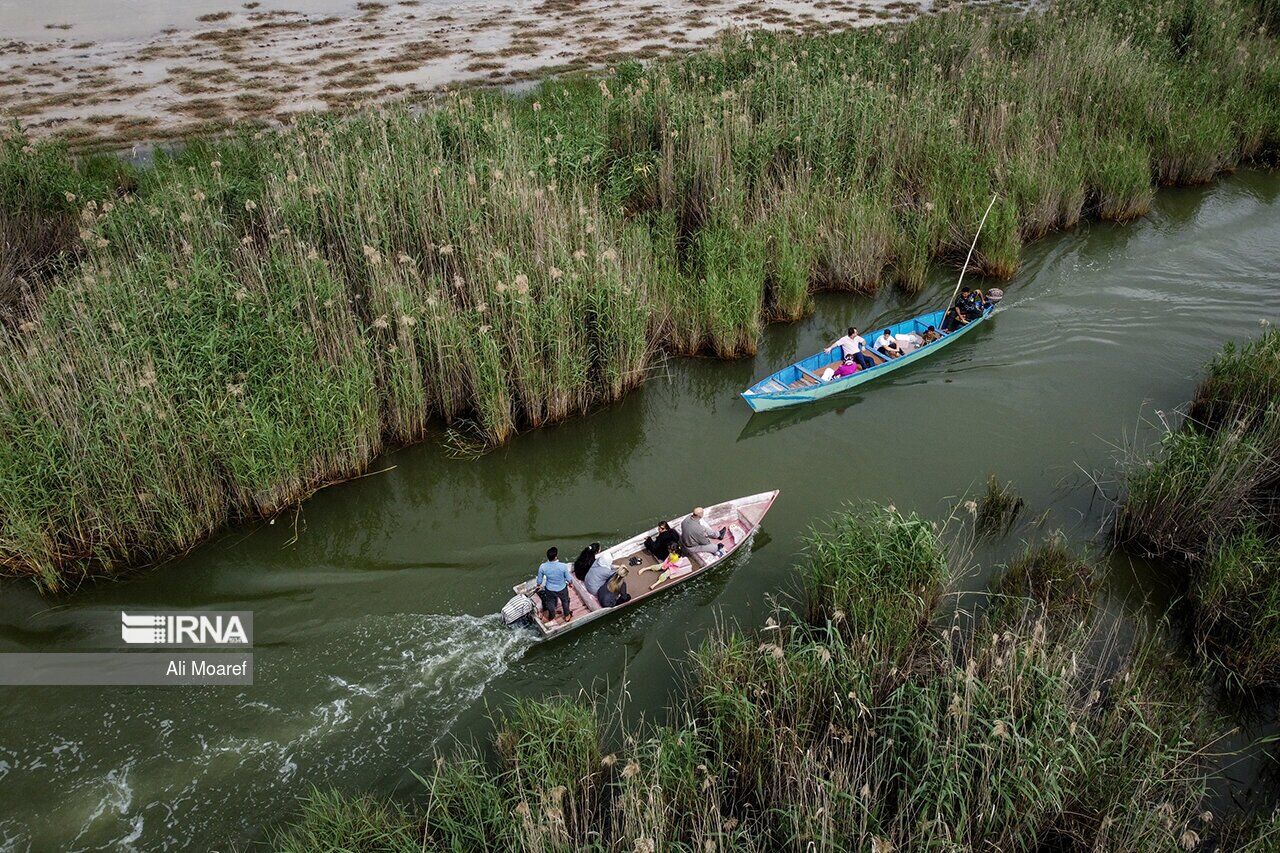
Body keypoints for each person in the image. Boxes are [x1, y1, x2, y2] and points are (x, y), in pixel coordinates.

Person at [535, 547, 574, 624]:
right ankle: (567, 615)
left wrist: (538, 585)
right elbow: (569, 578)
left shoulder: (542, 566)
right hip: (562, 588)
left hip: (549, 589)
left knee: (550, 602)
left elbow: (539, 580)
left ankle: (551, 616)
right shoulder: (563, 566)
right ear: (556, 556)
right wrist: (570, 583)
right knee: (565, 601)